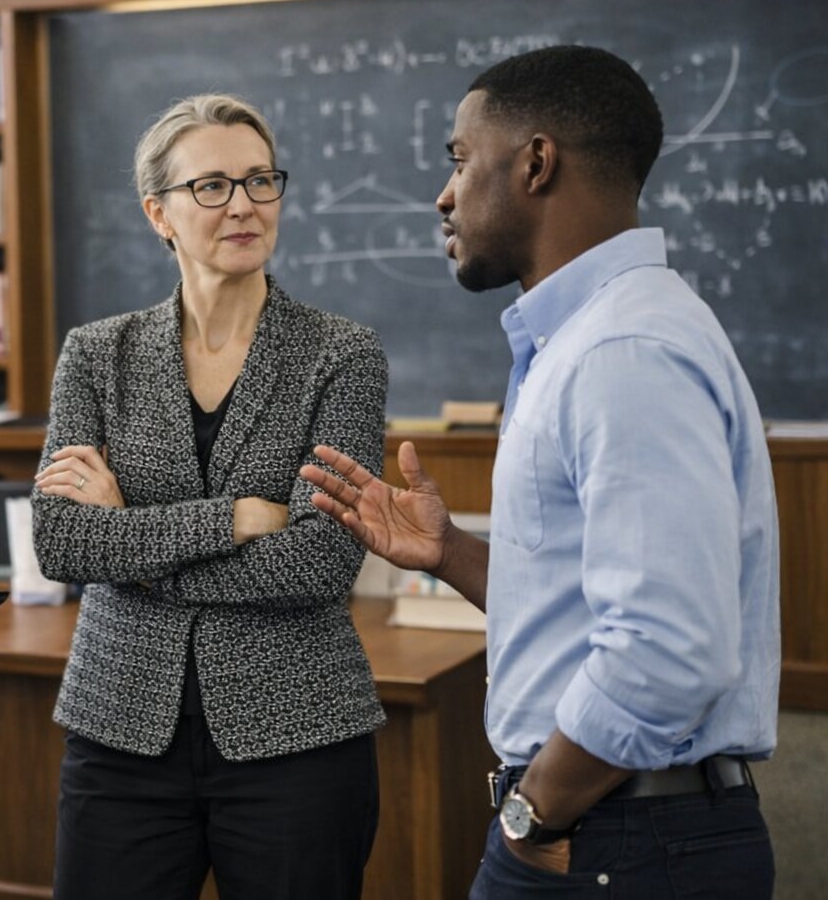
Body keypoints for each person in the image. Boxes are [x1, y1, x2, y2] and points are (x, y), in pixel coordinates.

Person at [305, 45, 779, 898]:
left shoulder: (624, 350)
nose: (444, 196)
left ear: (535, 162)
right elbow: (600, 607)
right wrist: (451, 554)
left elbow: (668, 649)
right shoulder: (591, 337)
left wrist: (535, 816)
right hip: (617, 829)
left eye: (459, 160)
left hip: (617, 837)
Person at [32, 93, 389, 900]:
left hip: (297, 733)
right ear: (159, 213)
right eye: (213, 186)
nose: (244, 205)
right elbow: (61, 544)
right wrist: (231, 518)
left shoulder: (341, 354)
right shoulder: (97, 354)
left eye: (262, 181)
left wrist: (128, 533)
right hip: (120, 728)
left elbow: (321, 563)